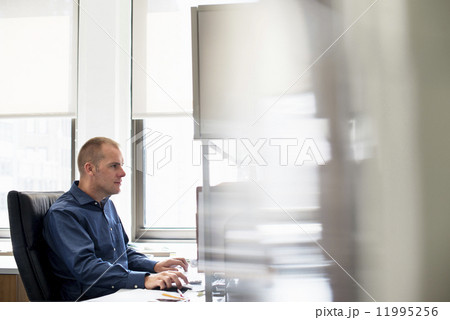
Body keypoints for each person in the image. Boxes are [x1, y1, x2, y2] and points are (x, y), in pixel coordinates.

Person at [43, 137, 189, 301]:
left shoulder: (106, 204)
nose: (123, 173)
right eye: (114, 166)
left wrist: (154, 266)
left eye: (121, 165)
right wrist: (145, 279)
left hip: (120, 294)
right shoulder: (64, 213)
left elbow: (122, 253)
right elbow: (87, 268)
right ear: (90, 169)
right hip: (93, 302)